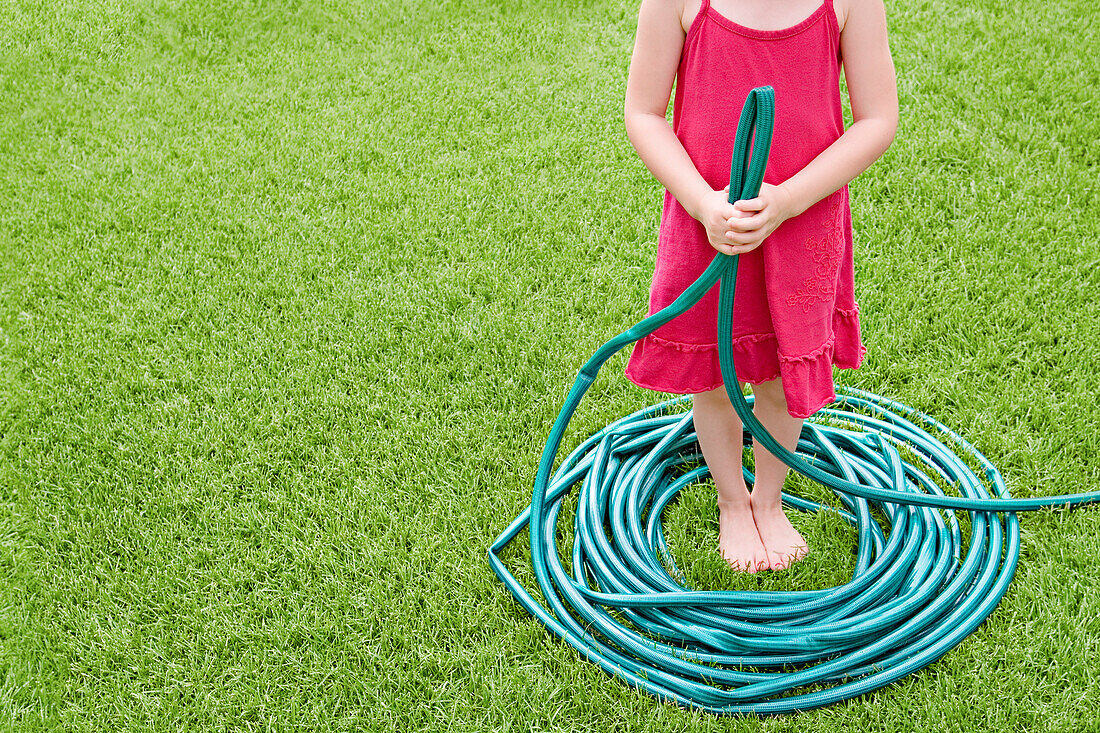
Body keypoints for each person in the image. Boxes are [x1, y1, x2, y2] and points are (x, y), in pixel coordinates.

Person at [623, 0, 898, 572]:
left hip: (802, 226)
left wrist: (788, 200)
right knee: (716, 376)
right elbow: (643, 112)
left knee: (779, 374)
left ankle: (767, 500)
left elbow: (878, 120)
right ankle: (732, 501)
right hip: (710, 226)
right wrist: (703, 203)